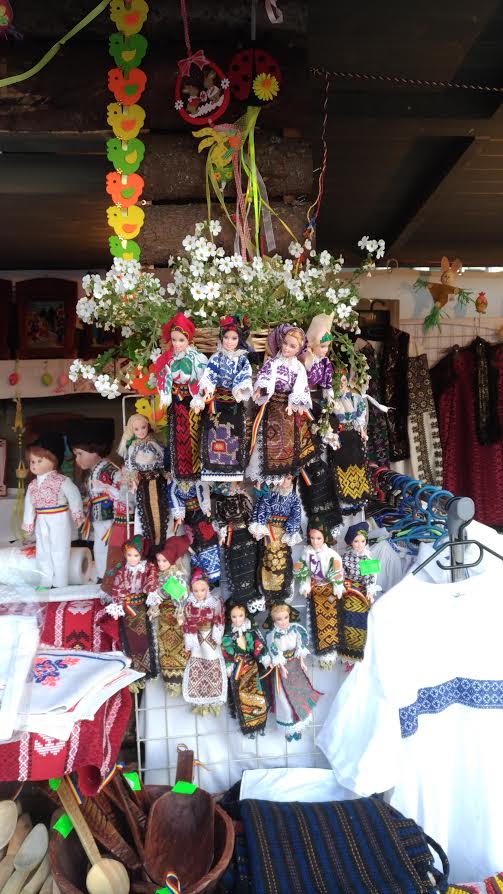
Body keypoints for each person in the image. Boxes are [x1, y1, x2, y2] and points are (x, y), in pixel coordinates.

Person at [247, 323, 316, 484]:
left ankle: (284, 476)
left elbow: (301, 386)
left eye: (292, 346)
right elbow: (265, 377)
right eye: (285, 343)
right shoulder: (273, 363)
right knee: (265, 441)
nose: (286, 348)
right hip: (271, 408)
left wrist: (294, 402)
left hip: (287, 410)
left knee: (287, 443)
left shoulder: (298, 367)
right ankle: (261, 479)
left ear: (299, 349)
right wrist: (261, 389)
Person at [191, 314, 253, 482]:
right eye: (226, 337)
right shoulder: (216, 358)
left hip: (233, 404)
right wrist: (208, 389)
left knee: (234, 435)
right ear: (221, 337)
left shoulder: (242, 360)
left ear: (239, 339)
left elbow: (245, 375)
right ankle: (214, 469)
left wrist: (239, 387)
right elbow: (209, 374)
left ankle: (232, 472)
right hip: (217, 404)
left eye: (233, 338)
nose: (229, 341)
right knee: (214, 433)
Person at [22, 433, 83, 588]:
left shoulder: (62, 481)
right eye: (32, 461)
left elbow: (74, 496)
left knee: (59, 550)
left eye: (39, 460)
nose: (34, 465)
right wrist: (28, 523)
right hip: (41, 519)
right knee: (42, 550)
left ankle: (60, 582)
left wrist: (77, 514)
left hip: (59, 518)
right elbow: (29, 505)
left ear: (53, 459)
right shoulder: (33, 485)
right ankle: (45, 580)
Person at [153, 312, 208, 481]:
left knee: (194, 435)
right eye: (174, 340)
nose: (177, 344)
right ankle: (179, 471)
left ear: (188, 339)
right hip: (176, 402)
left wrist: (199, 397)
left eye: (181, 340)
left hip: (192, 403)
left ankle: (196, 472)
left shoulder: (197, 359)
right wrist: (165, 393)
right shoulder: (167, 358)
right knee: (177, 435)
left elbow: (203, 380)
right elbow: (162, 375)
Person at [263, 601, 321, 740]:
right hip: (283, 671)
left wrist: (302, 662)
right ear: (274, 620)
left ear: (289, 616)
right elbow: (274, 653)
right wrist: (281, 668)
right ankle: (289, 727)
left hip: (295, 667)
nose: (283, 622)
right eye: (279, 619)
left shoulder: (295, 629)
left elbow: (300, 647)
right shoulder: (272, 635)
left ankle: (299, 725)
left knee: (300, 695)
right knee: (284, 699)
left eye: (285, 617)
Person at [68, 418, 118, 579]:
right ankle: (103, 576)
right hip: (99, 517)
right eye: (76, 455)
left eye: (80, 454)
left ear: (96, 449)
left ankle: (107, 578)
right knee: (100, 546)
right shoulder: (94, 471)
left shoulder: (109, 470)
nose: (77, 460)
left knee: (106, 546)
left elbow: (120, 489)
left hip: (109, 517)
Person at [106, 534, 159, 685]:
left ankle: (146, 670)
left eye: (135, 555)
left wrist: (151, 591)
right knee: (130, 639)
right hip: (128, 608)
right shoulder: (122, 571)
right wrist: (117, 605)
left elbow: (152, 580)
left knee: (144, 639)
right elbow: (117, 588)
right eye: (129, 555)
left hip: (141, 606)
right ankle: (134, 673)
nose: (132, 558)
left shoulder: (147, 567)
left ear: (141, 555)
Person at [293, 520, 344, 669]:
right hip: (315, 591)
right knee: (314, 621)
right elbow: (301, 570)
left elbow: (337, 571)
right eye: (313, 538)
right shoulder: (306, 553)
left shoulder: (331, 554)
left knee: (331, 621)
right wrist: (305, 583)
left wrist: (337, 586)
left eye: (319, 538)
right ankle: (319, 654)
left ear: (325, 538)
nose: (315, 542)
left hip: (328, 591)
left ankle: (331, 653)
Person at [147, 533, 192, 696]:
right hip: (164, 619)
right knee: (164, 648)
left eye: (164, 561)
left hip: (175, 619)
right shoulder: (160, 576)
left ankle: (179, 681)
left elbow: (181, 598)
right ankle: (170, 680)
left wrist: (160, 597)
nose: (160, 564)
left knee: (176, 647)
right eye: (159, 560)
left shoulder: (176, 577)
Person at [118, 413, 168, 548]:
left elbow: (162, 460)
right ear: (132, 431)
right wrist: (133, 480)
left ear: (148, 427)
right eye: (136, 429)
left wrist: (165, 474)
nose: (141, 431)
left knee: (160, 509)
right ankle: (151, 543)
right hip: (143, 482)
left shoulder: (153, 443)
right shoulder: (133, 446)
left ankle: (160, 541)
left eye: (143, 427)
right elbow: (130, 465)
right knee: (145, 511)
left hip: (157, 480)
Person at [182, 568, 226, 714]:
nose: (199, 594)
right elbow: (187, 623)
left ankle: (214, 698)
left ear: (207, 588)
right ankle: (199, 700)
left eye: (202, 590)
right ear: (191, 590)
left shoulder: (214, 602)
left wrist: (217, 634)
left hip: (211, 638)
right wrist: (190, 639)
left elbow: (219, 619)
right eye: (196, 591)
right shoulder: (189, 605)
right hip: (197, 638)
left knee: (214, 665)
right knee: (197, 664)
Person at [222, 602, 269, 737]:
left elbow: (258, 645)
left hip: (252, 667)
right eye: (234, 617)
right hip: (238, 669)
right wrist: (229, 664)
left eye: (240, 616)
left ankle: (259, 722)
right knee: (242, 697)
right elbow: (226, 651)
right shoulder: (228, 636)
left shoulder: (250, 632)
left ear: (245, 616)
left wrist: (264, 658)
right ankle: (248, 726)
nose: (237, 619)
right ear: (230, 617)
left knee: (257, 694)